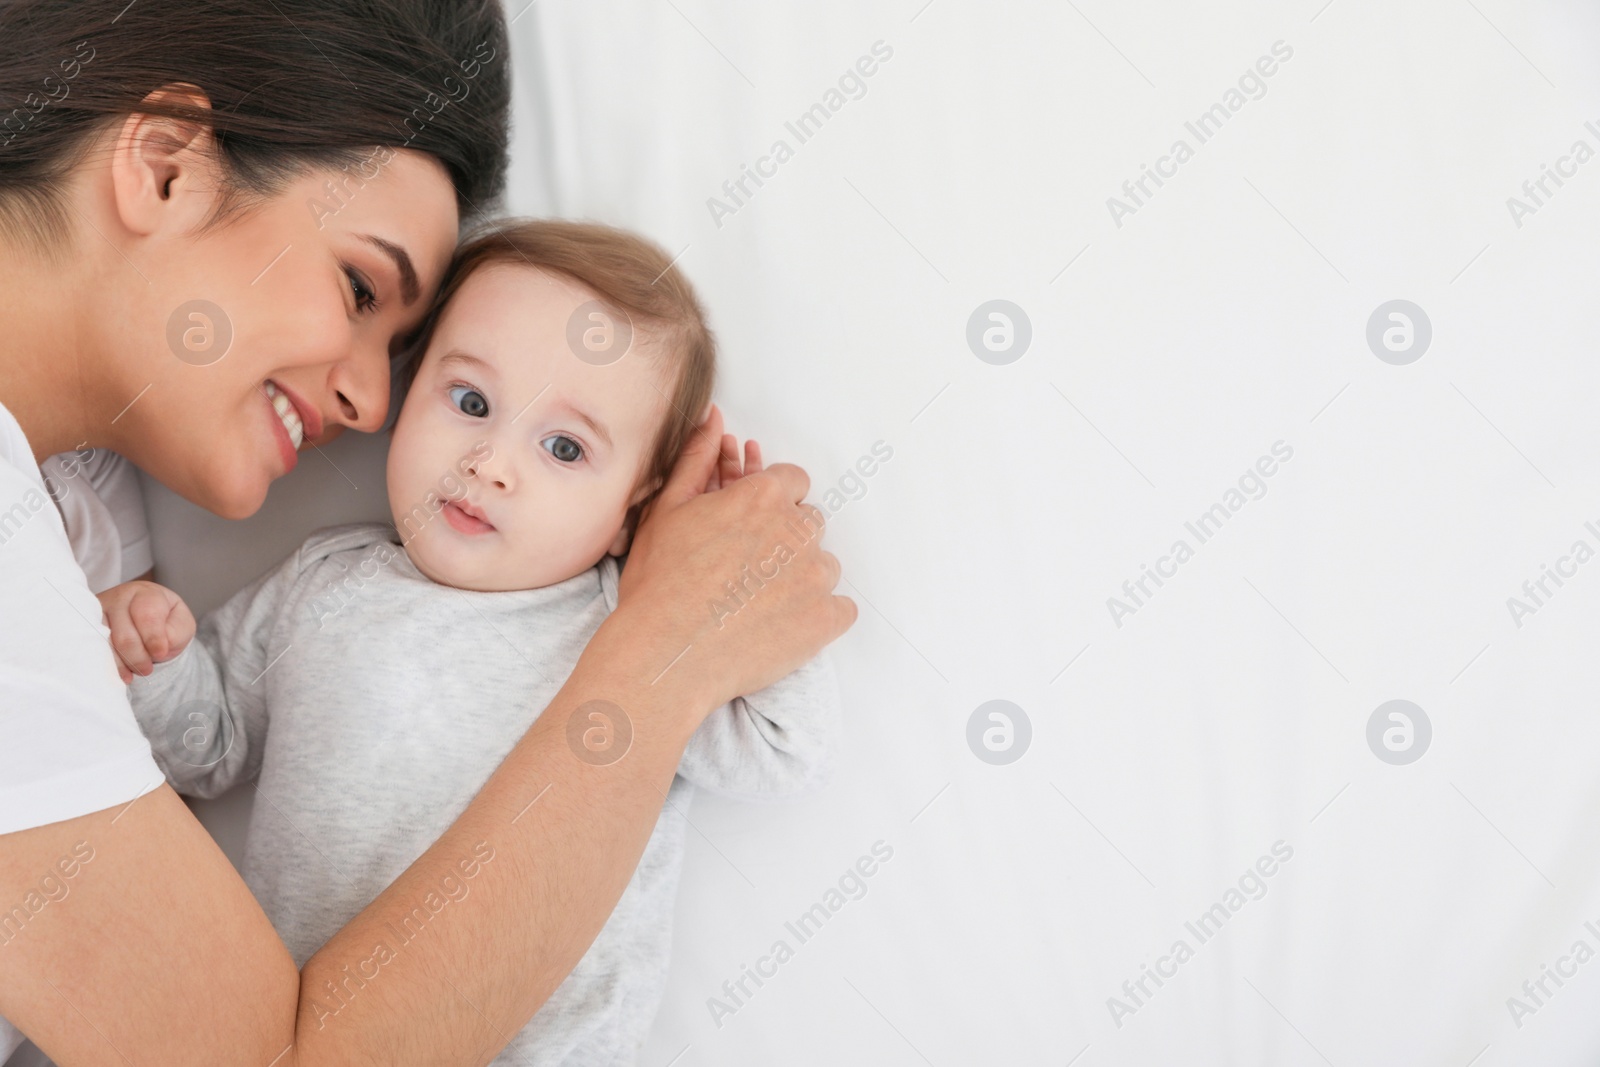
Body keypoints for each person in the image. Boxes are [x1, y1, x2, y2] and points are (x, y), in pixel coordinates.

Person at [0, 3, 854, 1065]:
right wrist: (661, 653)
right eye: (359, 284)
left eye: (568, 448)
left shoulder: (80, 507)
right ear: (167, 166)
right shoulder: (307, 586)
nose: (370, 401)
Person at [98, 217, 843, 1064]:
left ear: (633, 509)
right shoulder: (325, 584)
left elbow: (785, 752)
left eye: (564, 447)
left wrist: (729, 579)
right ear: (408, 396)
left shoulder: (626, 628)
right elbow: (208, 749)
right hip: (329, 1029)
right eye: (471, 402)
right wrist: (153, 657)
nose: (491, 462)